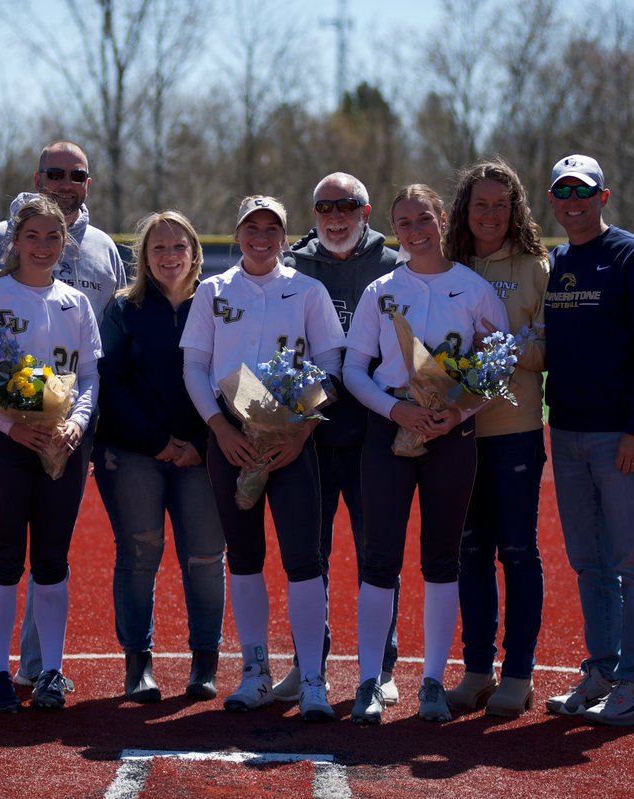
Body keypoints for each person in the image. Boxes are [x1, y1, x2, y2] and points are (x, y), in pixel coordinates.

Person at [0, 140, 126, 703]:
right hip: (5, 444)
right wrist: (9, 428)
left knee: (52, 559)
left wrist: (75, 423)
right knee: (1, 556)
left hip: (63, 444)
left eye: (54, 237)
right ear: (14, 239)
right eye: (34, 236)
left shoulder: (76, 301)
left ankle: (48, 670)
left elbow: (90, 376)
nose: (45, 245)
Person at [345, 184, 510, 725]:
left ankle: (434, 683)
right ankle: (371, 680)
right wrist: (397, 413)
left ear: (441, 219)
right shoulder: (379, 290)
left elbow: (497, 361)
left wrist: (456, 414)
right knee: (378, 560)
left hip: (450, 437)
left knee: (442, 560)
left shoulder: (474, 288)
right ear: (393, 229)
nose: (414, 230)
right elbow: (353, 370)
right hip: (389, 432)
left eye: (423, 218)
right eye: (403, 222)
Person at [180, 196, 346, 722]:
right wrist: (221, 430)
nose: (261, 237)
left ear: (284, 235)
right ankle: (255, 673)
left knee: (303, 561)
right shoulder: (212, 291)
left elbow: (331, 369)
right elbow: (195, 368)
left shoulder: (308, 290)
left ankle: (312, 679)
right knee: (245, 558)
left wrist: (297, 434)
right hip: (230, 440)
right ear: (237, 233)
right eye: (252, 227)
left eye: (272, 228)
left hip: (290, 443)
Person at [541, 154, 634, 726]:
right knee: (589, 562)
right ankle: (602, 668)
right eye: (562, 193)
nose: (573, 203)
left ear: (604, 196)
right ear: (553, 200)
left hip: (619, 437)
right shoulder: (556, 262)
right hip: (566, 432)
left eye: (584, 192)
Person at [271, 172, 401, 705]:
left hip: (376, 434)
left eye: (346, 206)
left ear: (365, 212)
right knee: (309, 555)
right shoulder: (292, 268)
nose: (335, 216)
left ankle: (383, 665)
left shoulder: (394, 266)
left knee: (379, 553)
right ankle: (308, 664)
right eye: (324, 207)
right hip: (310, 436)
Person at [93, 211, 226, 703]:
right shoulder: (123, 309)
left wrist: (203, 444)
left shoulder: (217, 305)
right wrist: (158, 443)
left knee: (206, 558)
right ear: (143, 257)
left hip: (202, 453)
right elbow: (111, 384)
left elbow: (229, 375)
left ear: (194, 251)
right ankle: (138, 666)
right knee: (138, 556)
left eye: (178, 247)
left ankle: (204, 665)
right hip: (134, 455)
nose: (169, 256)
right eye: (158, 248)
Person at [440, 159, 549, 718]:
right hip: (457, 432)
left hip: (514, 432)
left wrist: (502, 346)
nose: (489, 215)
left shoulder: (535, 268)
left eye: (500, 206)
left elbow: (549, 351)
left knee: (517, 551)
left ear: (515, 210)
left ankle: (519, 673)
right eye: (480, 204)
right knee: (471, 553)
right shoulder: (449, 264)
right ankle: (477, 668)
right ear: (465, 210)